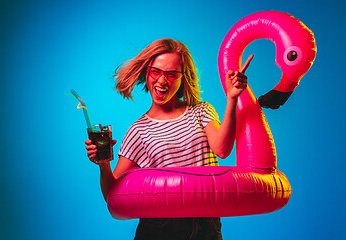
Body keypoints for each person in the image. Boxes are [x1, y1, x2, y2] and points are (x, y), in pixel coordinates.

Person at [85, 38, 252, 240]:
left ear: (183, 78)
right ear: (147, 72)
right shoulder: (138, 131)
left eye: (171, 74)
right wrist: (103, 164)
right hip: (160, 227)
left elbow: (222, 150)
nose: (162, 81)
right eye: (156, 72)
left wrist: (232, 98)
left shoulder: (201, 111)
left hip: (205, 222)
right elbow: (113, 194)